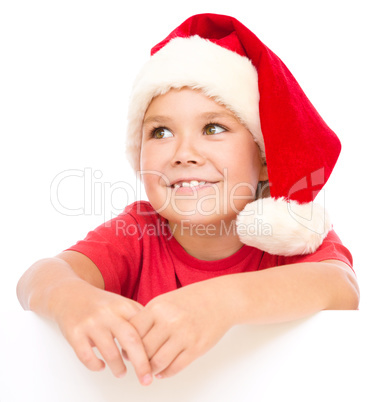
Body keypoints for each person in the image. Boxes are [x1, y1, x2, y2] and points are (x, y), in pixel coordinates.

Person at [16, 13, 359, 387]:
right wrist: (72, 299)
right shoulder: (138, 232)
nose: (183, 153)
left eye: (214, 128)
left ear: (263, 158)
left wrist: (221, 302)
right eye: (160, 131)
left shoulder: (289, 237)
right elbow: (37, 278)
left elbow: (341, 286)